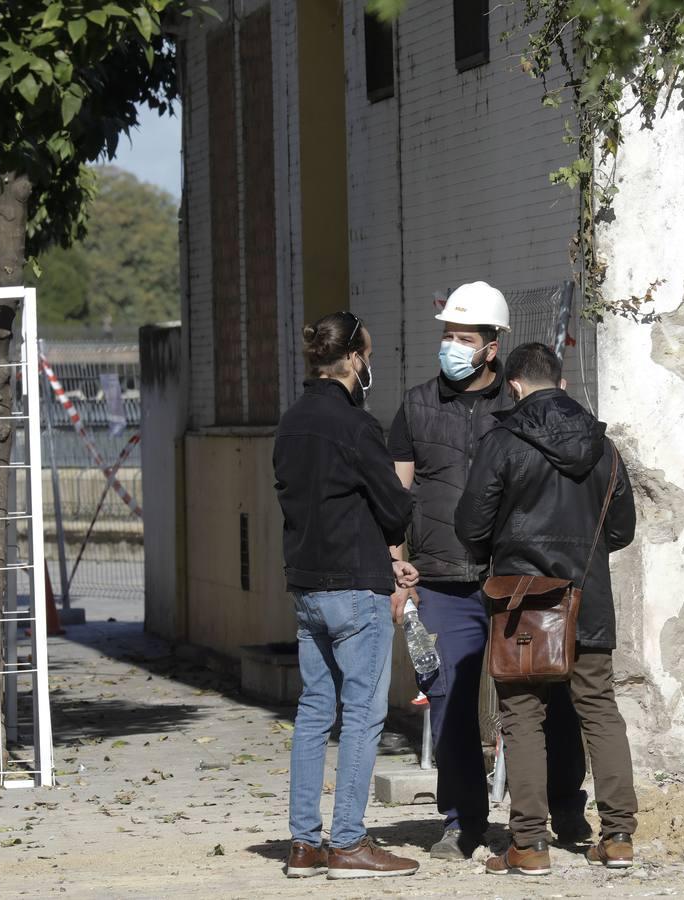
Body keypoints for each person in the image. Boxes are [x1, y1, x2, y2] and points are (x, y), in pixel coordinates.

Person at [387, 281, 589, 860]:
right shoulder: (418, 404)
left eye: (462, 337)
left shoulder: (523, 407)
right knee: (448, 699)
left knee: (547, 696)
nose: (450, 345)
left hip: (520, 576)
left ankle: (565, 810)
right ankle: (461, 820)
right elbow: (398, 495)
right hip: (444, 579)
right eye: (446, 335)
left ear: (491, 347)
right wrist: (396, 562)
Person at [454, 341, 639, 877]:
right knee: (600, 711)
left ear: (513, 385)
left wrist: (501, 554)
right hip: (590, 601)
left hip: (523, 605)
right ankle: (618, 836)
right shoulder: (606, 447)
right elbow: (621, 530)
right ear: (561, 384)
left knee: (522, 714)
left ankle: (530, 844)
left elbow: (470, 527)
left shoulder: (502, 440)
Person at [273, 311, 422, 880]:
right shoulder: (357, 425)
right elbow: (393, 505)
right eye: (369, 355)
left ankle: (304, 845)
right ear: (355, 359)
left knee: (314, 713)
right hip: (355, 589)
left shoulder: (291, 423)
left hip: (308, 585)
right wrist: (393, 546)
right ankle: (351, 842)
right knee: (361, 715)